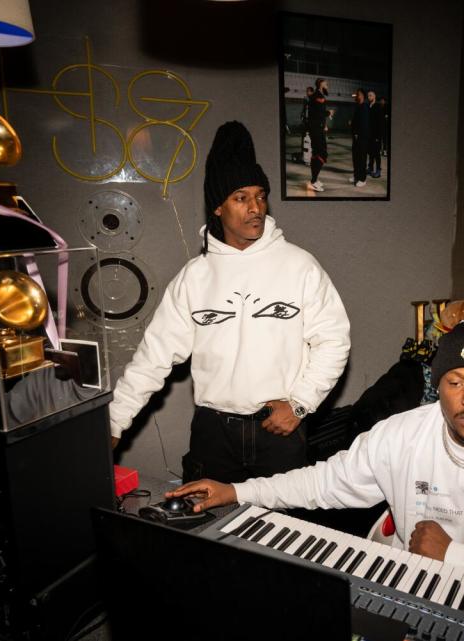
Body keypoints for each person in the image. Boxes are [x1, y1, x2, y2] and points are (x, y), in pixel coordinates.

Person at [172, 323, 464, 605]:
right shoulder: (402, 434)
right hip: (409, 590)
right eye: (455, 383)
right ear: (439, 387)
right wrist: (237, 491)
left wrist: (454, 555)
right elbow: (325, 482)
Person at [109, 121, 351, 483]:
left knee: (280, 537)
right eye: (241, 197)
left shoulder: (300, 266)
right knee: (209, 535)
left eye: (260, 195)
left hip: (277, 432)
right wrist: (114, 422)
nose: (255, 207)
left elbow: (334, 340)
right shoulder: (195, 277)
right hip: (213, 435)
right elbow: (152, 358)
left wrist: (300, 404)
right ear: (218, 208)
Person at [307, 78, 331, 192]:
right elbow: (319, 113)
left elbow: (319, 114)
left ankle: (314, 179)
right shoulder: (317, 95)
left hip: (318, 128)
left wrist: (324, 124)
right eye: (326, 83)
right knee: (322, 153)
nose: (327, 85)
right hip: (316, 129)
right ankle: (313, 181)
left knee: (317, 153)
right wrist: (329, 113)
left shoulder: (320, 95)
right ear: (321, 84)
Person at [350, 88, 370, 187]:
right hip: (356, 136)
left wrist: (358, 133)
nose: (356, 96)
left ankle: (362, 179)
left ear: (362, 95)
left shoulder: (365, 107)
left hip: (362, 137)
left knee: (361, 158)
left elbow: (364, 124)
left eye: (357, 94)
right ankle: (356, 175)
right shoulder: (358, 106)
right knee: (356, 157)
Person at [366, 91, 383, 179]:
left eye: (371, 95)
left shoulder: (378, 106)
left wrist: (378, 137)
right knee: (371, 153)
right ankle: (370, 168)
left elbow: (380, 123)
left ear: (374, 96)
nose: (369, 97)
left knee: (376, 154)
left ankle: (378, 171)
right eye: (368, 96)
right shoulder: (368, 107)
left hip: (376, 135)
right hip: (369, 135)